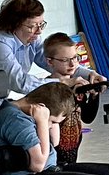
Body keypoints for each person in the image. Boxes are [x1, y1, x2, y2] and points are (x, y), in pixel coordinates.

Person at [0, 0, 105, 96]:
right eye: (32, 26)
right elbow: (19, 82)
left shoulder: (32, 38)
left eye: (41, 24)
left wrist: (90, 75)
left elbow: (58, 62)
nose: (39, 31)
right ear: (14, 25)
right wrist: (65, 82)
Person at [41, 32, 99, 165]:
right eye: (65, 60)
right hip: (52, 150)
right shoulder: (46, 88)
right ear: (50, 61)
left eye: (75, 58)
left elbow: (88, 117)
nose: (72, 64)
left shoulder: (79, 85)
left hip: (74, 144)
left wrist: (95, 96)